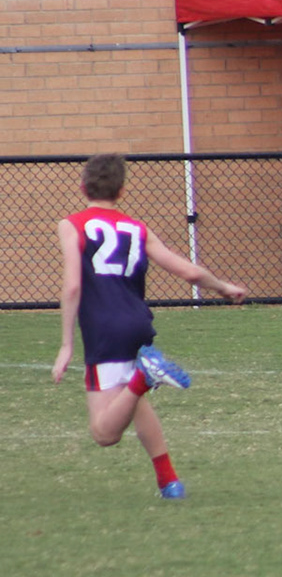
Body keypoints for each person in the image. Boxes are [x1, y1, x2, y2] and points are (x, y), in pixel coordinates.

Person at [52, 153, 248, 499]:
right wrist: (223, 287)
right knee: (135, 401)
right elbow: (187, 271)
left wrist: (66, 344)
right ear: (122, 191)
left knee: (104, 433)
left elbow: (72, 287)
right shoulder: (137, 228)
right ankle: (169, 482)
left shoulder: (72, 224)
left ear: (82, 187)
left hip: (104, 331)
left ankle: (145, 376)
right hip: (138, 324)